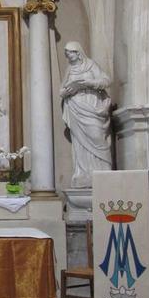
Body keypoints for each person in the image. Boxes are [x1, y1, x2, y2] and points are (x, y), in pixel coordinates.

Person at [60, 41, 112, 188]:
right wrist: (69, 90)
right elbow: (61, 91)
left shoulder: (91, 65)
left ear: (78, 52)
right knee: (79, 143)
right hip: (75, 107)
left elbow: (106, 81)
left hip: (92, 105)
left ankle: (104, 171)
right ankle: (84, 174)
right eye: (66, 53)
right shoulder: (70, 70)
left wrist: (88, 83)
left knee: (97, 136)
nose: (68, 55)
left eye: (70, 52)